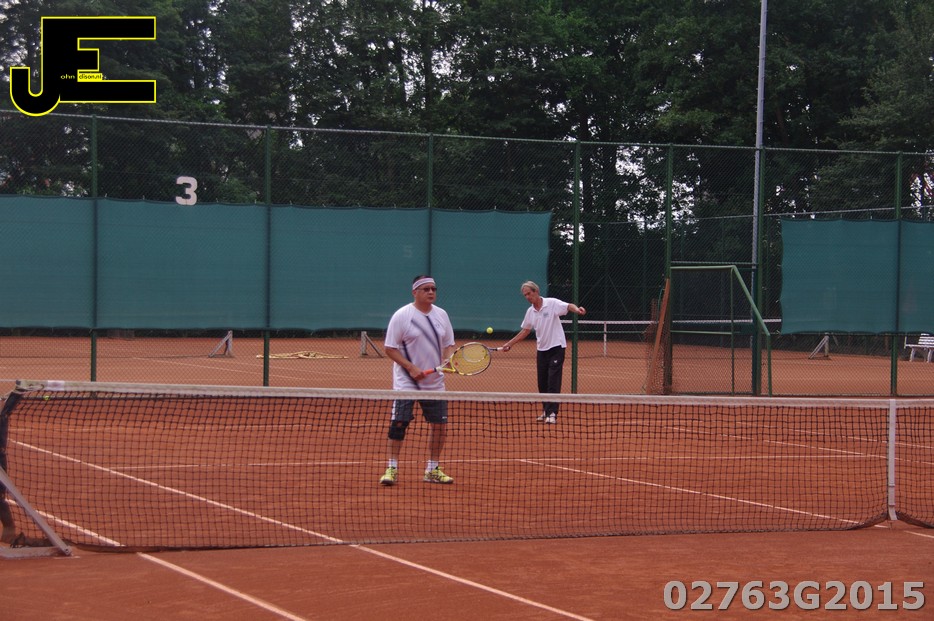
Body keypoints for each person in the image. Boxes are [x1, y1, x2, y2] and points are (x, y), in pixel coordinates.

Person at [378, 275, 456, 486]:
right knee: (399, 424)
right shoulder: (402, 316)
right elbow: (390, 348)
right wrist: (411, 368)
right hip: (406, 383)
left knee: (439, 426)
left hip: (435, 384)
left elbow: (448, 344)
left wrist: (447, 359)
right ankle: (392, 468)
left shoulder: (442, 315)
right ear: (415, 292)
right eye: (426, 289)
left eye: (433, 289)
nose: (431, 292)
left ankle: (432, 469)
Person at [500, 280, 586, 424]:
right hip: (542, 350)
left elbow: (568, 306)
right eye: (525, 295)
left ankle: (552, 413)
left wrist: (577, 310)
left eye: (529, 293)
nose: (527, 297)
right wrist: (510, 344)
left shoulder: (551, 303)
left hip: (557, 347)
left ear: (536, 291)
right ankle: (546, 411)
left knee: (553, 381)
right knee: (542, 383)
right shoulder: (530, 312)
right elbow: (525, 331)